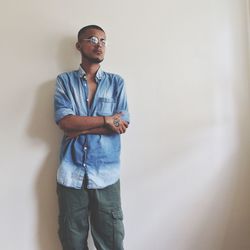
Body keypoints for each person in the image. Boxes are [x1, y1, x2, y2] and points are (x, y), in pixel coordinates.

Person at [54, 24, 130, 250]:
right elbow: (65, 123)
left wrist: (79, 128)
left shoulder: (117, 83)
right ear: (79, 45)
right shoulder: (64, 81)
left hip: (106, 176)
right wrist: (106, 120)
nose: (99, 46)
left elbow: (122, 124)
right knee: (72, 243)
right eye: (93, 40)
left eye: (103, 41)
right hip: (71, 175)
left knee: (112, 242)